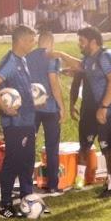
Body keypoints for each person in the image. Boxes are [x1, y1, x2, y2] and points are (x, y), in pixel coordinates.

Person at [56, 26, 111, 204]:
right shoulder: (90, 59)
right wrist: (61, 55)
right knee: (108, 150)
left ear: (93, 41)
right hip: (104, 111)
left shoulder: (108, 56)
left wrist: (104, 106)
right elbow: (78, 66)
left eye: (82, 41)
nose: (79, 44)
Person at [0, 25, 39, 218]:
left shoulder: (22, 60)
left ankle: (27, 201)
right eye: (32, 40)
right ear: (22, 41)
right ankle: (5, 205)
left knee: (27, 162)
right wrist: (5, 107)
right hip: (14, 123)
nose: (34, 43)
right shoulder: (9, 61)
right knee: (13, 162)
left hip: (27, 120)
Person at [28, 28, 66, 195]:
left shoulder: (28, 57)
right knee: (52, 146)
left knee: (29, 144)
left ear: (38, 42)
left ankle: (26, 182)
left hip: (32, 106)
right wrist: (61, 106)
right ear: (51, 43)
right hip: (50, 107)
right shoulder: (52, 56)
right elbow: (53, 82)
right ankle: (53, 185)